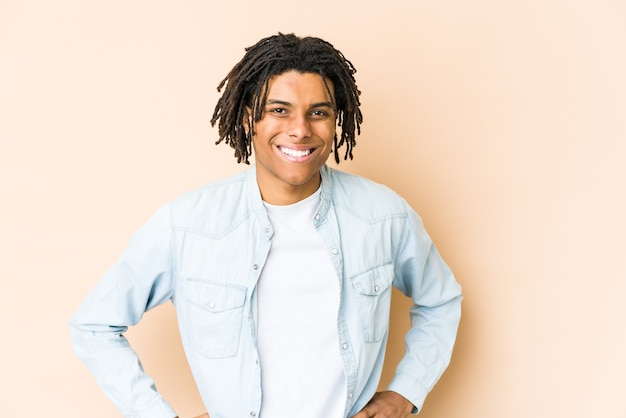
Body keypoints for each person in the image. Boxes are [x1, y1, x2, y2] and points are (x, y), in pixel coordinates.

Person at [69, 33, 462, 418]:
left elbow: (440, 301)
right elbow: (93, 325)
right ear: (247, 120)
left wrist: (405, 393)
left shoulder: (383, 215)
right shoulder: (187, 224)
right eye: (279, 110)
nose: (300, 129)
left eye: (319, 112)